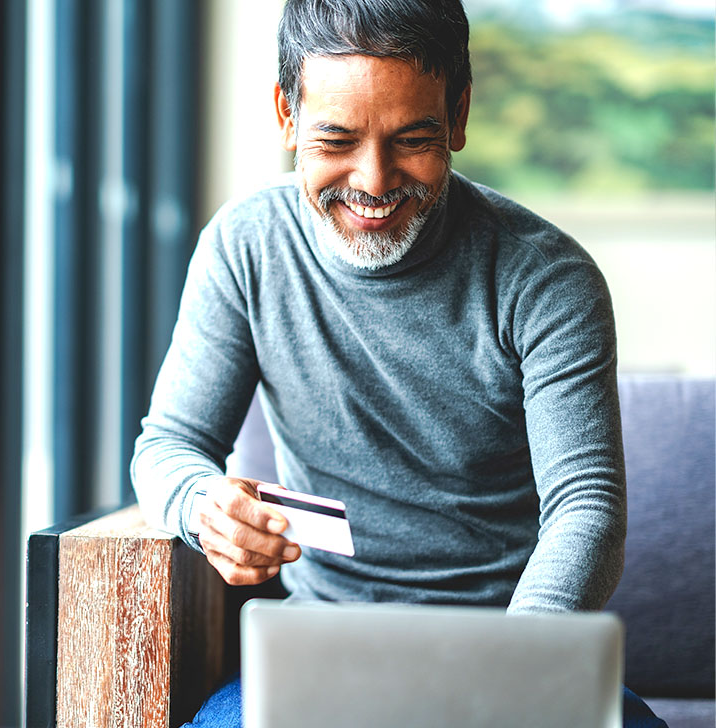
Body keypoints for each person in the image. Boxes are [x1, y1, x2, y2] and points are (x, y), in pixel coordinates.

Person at [129, 0, 664, 725]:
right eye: (337, 140)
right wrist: (201, 507)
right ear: (286, 114)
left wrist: (516, 675)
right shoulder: (245, 248)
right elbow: (169, 445)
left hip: (515, 647)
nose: (375, 182)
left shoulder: (547, 278)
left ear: (460, 114)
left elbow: (587, 507)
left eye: (413, 139)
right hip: (319, 655)